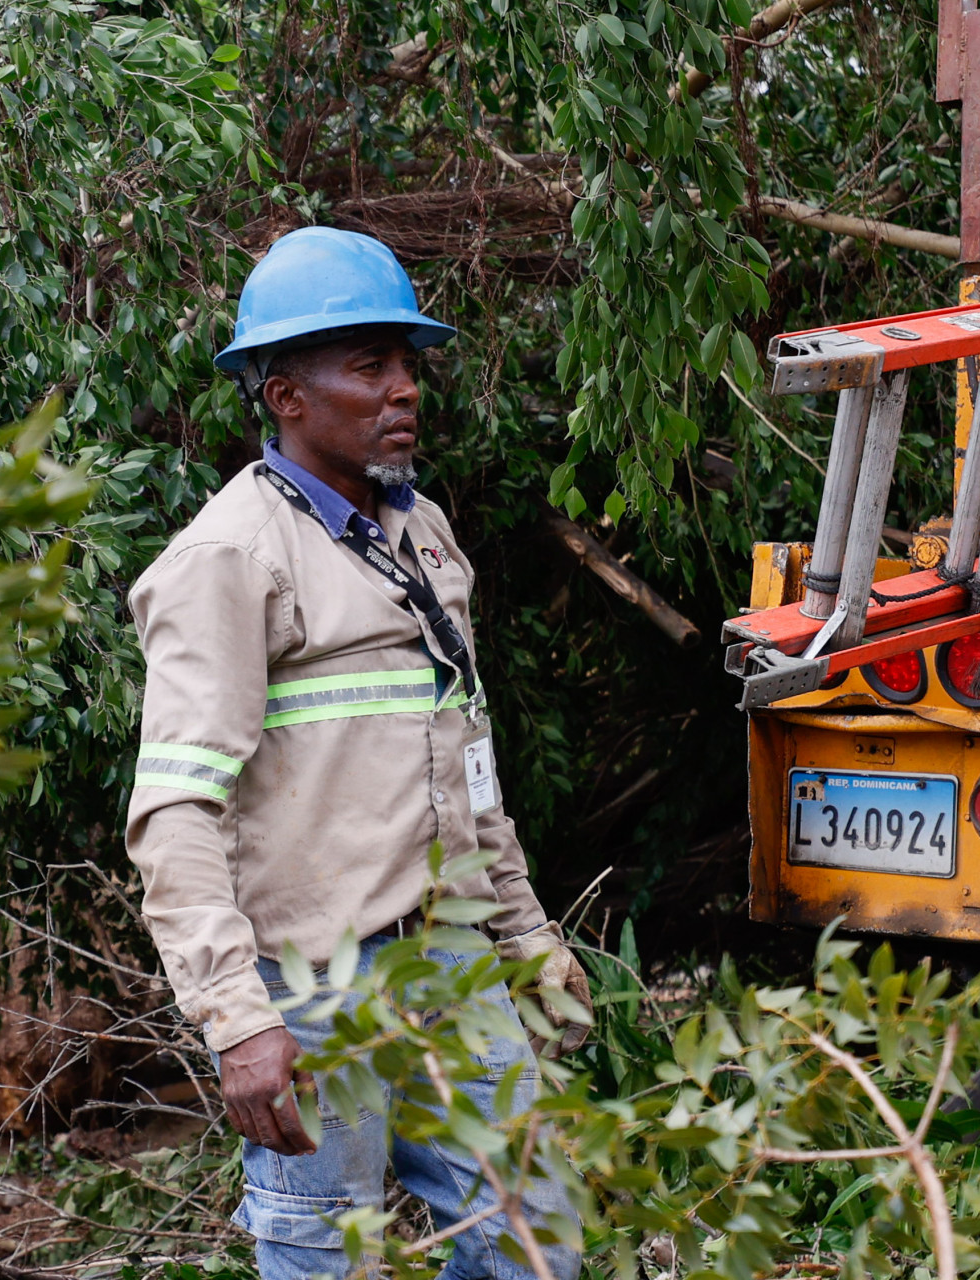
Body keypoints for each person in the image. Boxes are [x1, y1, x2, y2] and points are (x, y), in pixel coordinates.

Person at [123, 226, 589, 1280]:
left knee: (535, 1236)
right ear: (286, 395)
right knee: (326, 1253)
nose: (403, 389)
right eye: (369, 365)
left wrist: (524, 933)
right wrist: (238, 1020)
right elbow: (176, 812)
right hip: (313, 980)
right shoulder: (231, 559)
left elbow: (467, 763)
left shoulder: (423, 535)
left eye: (407, 363)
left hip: (447, 957)